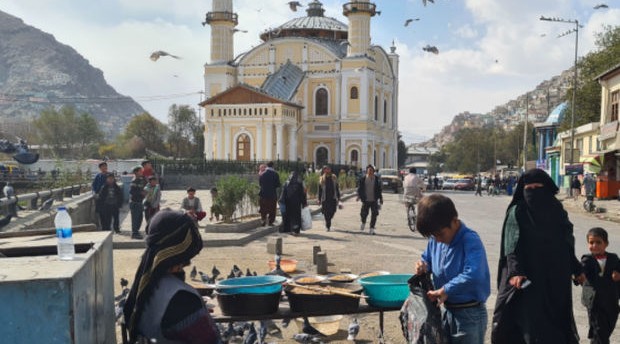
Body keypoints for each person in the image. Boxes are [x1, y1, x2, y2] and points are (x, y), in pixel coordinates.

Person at [492, 168, 585, 344]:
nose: (533, 193)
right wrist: (515, 272)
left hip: (555, 281)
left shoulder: (557, 210)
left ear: (547, 189)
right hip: (527, 280)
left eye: (538, 188)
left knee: (555, 326)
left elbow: (565, 243)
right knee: (529, 327)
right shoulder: (518, 211)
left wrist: (576, 268)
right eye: (529, 189)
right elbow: (511, 246)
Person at [123, 210, 221, 343]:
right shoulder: (182, 298)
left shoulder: (143, 287)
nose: (188, 263)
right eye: (186, 258)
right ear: (175, 254)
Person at [414, 194, 490, 344]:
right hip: (446, 311)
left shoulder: (470, 240)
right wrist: (422, 265)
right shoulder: (436, 239)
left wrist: (446, 289)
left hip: (469, 315)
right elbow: (427, 258)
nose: (438, 240)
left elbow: (473, 274)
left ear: (454, 221)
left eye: (441, 234)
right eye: (434, 236)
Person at [580, 227, 620, 344]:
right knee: (598, 329)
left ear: (606, 244)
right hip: (594, 302)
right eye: (591, 242)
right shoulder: (587, 260)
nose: (595, 245)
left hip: (611, 301)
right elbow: (580, 271)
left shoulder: (613, 258)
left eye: (598, 242)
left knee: (607, 328)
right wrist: (577, 275)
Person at [356, 164, 383, 235]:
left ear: (373, 171)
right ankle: (363, 222)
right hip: (366, 199)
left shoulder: (376, 179)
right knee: (363, 214)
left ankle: (371, 228)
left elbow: (379, 189)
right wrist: (358, 196)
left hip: (374, 200)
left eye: (371, 170)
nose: (370, 171)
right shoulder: (363, 178)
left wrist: (380, 198)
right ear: (367, 171)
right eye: (369, 170)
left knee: (374, 214)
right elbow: (360, 188)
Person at [279, 170, 307, 236]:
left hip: (288, 203)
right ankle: (296, 230)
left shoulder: (286, 183)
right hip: (297, 204)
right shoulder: (300, 184)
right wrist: (304, 203)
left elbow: (283, 194)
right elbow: (302, 195)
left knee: (289, 216)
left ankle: (290, 229)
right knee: (296, 217)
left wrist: (282, 201)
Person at [318, 165, 340, 232]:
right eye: (325, 169)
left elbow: (337, 188)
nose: (327, 170)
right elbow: (319, 190)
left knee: (333, 211)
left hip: (332, 198)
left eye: (328, 169)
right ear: (324, 170)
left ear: (330, 170)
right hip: (325, 199)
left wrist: (338, 197)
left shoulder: (334, 177)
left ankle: (329, 220)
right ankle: (328, 226)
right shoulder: (322, 179)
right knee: (326, 213)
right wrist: (319, 199)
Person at [259, 161, 281, 226]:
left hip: (263, 194)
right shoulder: (275, 174)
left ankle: (263, 220)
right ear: (273, 166)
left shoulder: (262, 174)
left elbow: (260, 184)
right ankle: (270, 222)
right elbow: (278, 185)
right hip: (272, 194)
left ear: (267, 166)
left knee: (263, 208)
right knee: (272, 208)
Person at [129, 166, 147, 240]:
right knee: (135, 219)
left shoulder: (142, 180)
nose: (141, 172)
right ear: (136, 172)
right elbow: (132, 192)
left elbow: (146, 186)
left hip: (140, 202)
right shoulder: (134, 181)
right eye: (140, 171)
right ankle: (134, 233)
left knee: (140, 218)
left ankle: (136, 231)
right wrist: (141, 193)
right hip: (135, 202)